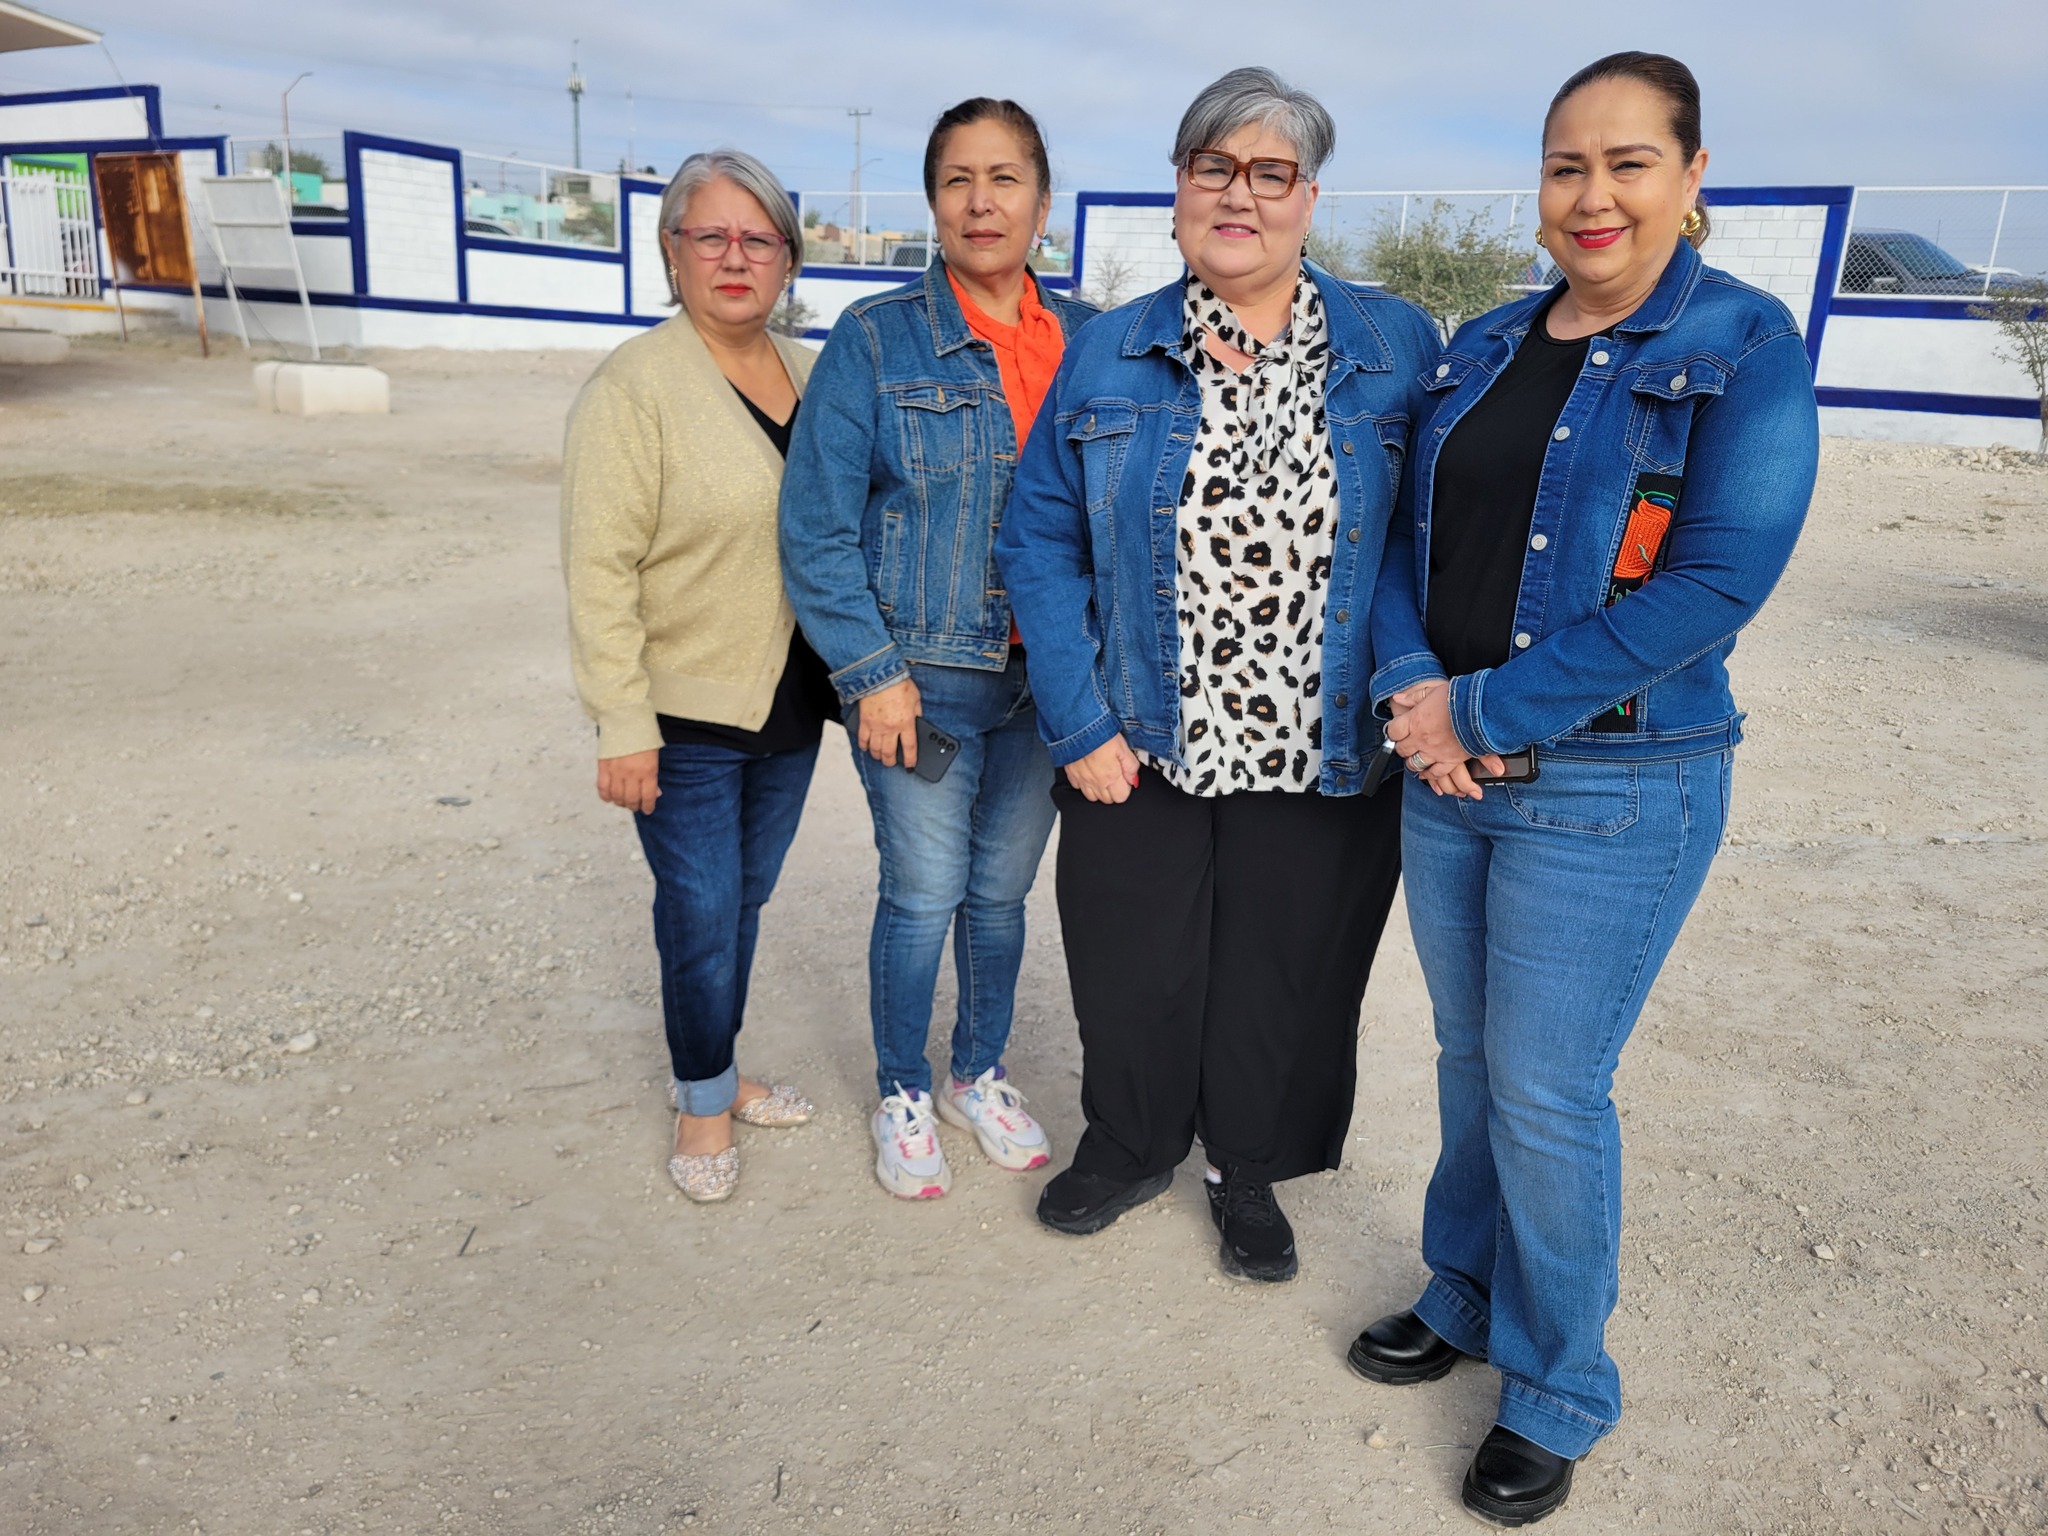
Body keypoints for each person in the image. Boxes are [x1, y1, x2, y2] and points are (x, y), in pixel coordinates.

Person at [1346, 52, 1818, 1525]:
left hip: (1614, 785)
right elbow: (1401, 543)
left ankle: (1556, 1386)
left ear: (1690, 178)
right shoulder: (1484, 342)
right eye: (1566, 165)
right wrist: (1416, 696)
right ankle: (1463, 1289)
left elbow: (1717, 580)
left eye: (1627, 162)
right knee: (1467, 1061)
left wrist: (1483, 706)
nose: (1592, 195)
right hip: (1447, 776)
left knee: (1547, 1091)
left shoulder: (1743, 345)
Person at [996, 68, 1442, 1281]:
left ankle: (1244, 1168)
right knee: (1129, 960)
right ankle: (1130, 1142)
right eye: (1213, 168)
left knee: (1280, 976)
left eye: (1269, 173)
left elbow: (1424, 534)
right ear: (1179, 187)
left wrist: (1420, 683)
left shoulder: (1393, 344)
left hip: (1322, 739)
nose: (1238, 195)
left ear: (1308, 198)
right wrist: (1078, 719)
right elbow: (1036, 538)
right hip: (1139, 731)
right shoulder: (1108, 351)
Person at [779, 99, 1097, 1199]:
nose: (981, 201)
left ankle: (977, 1073)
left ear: (1042, 203)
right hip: (921, 680)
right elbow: (815, 527)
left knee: (1000, 896)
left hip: (1047, 686)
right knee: (923, 893)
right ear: (932, 202)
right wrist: (869, 674)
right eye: (958, 179)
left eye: (1004, 178)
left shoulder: (1094, 341)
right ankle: (902, 1089)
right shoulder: (875, 339)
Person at [562, 148, 835, 1205]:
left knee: (742, 902)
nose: (734, 257)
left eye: (758, 238)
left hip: (788, 705)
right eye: (709, 235)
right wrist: (620, 721)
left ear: (787, 261)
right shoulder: (634, 388)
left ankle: (713, 1066)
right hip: (682, 714)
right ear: (670, 250)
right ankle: (704, 1102)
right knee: (702, 907)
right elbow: (599, 568)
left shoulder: (814, 374)